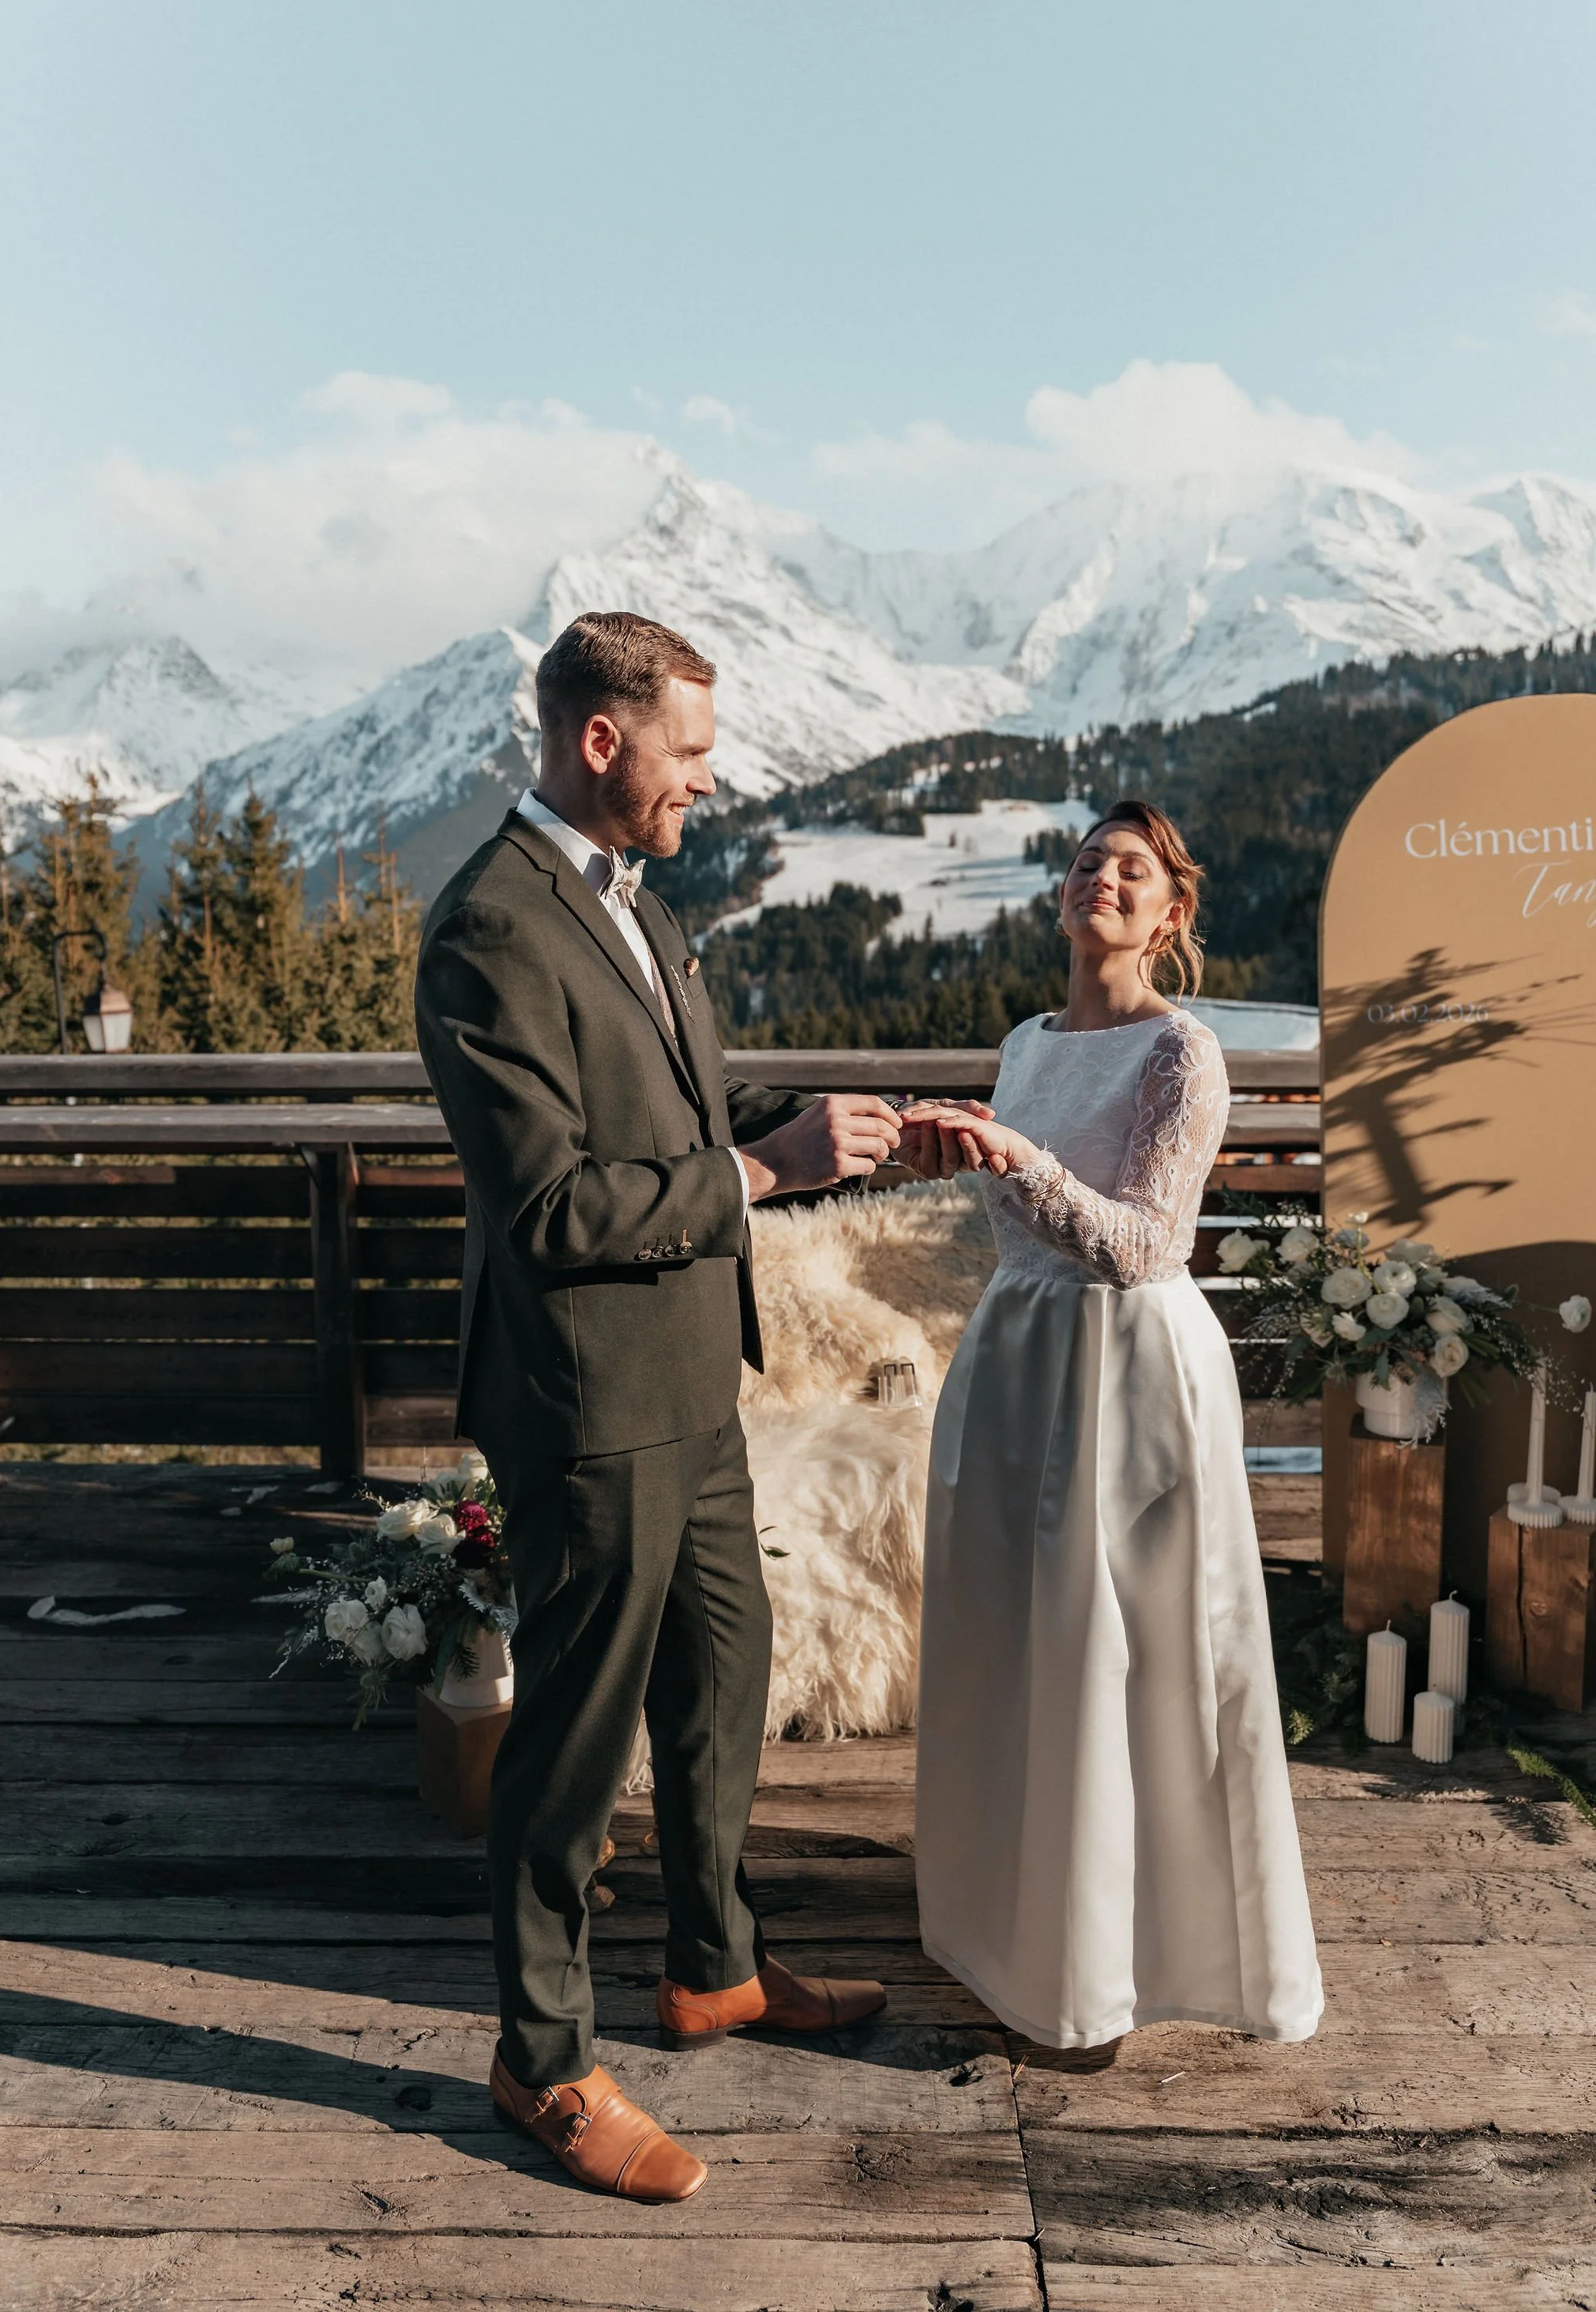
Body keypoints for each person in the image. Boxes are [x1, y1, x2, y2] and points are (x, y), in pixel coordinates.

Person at [415, 612, 898, 2203]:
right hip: (584, 1396)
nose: (711, 777)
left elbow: (682, 1115)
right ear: (602, 743)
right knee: (572, 1732)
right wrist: (766, 1172)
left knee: (722, 1673)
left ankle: (714, 1967)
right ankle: (540, 2063)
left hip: (691, 1384)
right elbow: (548, 1204)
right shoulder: (490, 926)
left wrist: (840, 1127)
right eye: (688, 750)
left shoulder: (633, 901)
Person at [898, 800, 1321, 2066]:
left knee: (1133, 1644)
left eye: (1132, 869)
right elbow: (1017, 1215)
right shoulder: (1027, 1040)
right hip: (1020, 1350)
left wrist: (1013, 1154)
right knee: (1019, 1633)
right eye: (1087, 861)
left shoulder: (1182, 1055)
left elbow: (1145, 1245)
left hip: (1127, 1368)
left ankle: (1126, 1966)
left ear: (1171, 914)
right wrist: (960, 1149)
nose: (1102, 879)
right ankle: (1013, 1926)